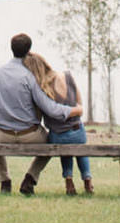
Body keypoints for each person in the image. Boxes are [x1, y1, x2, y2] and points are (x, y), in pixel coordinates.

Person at [0, 31, 81, 195]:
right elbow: (50, 109)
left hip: (3, 134)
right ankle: (31, 177)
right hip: (30, 135)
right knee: (51, 141)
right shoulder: (28, 77)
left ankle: (4, 181)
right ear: (29, 50)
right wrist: (74, 110)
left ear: (12, 48)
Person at [27, 51, 93, 196]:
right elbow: (80, 105)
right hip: (78, 131)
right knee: (81, 150)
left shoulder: (42, 88)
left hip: (59, 134)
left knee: (63, 146)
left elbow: (41, 115)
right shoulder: (68, 76)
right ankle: (88, 180)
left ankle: (69, 181)